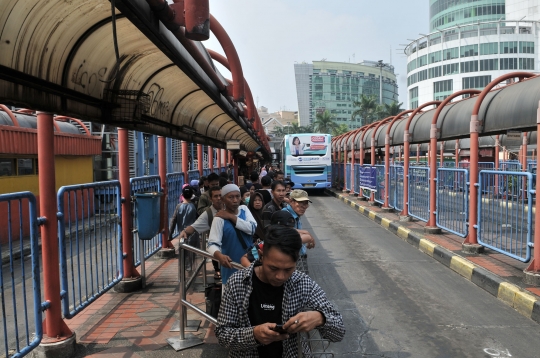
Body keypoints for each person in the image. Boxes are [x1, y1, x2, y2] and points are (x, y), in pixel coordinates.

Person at [215, 225, 345, 357]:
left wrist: (320, 318)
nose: (280, 277)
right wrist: (253, 335)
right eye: (273, 268)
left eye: (288, 269)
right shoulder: (237, 283)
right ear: (261, 256)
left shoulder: (303, 283)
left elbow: (339, 331)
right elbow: (222, 335)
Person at [207, 184, 257, 285]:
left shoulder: (244, 209)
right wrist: (219, 256)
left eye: (237, 196)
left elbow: (251, 229)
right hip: (231, 266)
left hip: (249, 264)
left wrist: (231, 217)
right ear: (223, 199)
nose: (235, 200)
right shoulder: (219, 219)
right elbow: (212, 244)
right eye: (231, 197)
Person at [178, 186, 222, 280]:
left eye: (220, 196)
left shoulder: (231, 208)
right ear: (210, 199)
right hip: (220, 251)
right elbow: (194, 226)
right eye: (216, 196)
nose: (219, 198)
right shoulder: (208, 214)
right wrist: (185, 231)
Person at [169, 186, 199, 270]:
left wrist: (170, 234)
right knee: (192, 252)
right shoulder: (194, 206)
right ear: (192, 195)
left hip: (182, 234)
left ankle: (184, 269)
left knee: (183, 252)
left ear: (182, 195)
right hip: (193, 234)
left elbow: (173, 220)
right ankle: (190, 267)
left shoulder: (178, 206)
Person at [283, 190, 315, 256]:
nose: (304, 206)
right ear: (291, 201)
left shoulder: (295, 215)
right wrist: (307, 235)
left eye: (306, 203)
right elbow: (286, 233)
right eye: (300, 202)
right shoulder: (285, 215)